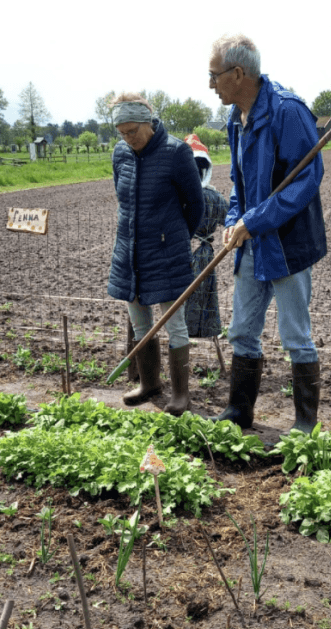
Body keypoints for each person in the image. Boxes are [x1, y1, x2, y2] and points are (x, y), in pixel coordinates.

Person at [208, 34, 326, 434]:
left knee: (295, 334)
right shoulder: (235, 119)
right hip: (251, 240)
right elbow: (240, 184)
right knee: (242, 330)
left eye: (214, 76)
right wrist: (233, 220)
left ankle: (305, 425)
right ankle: (239, 412)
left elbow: (306, 180)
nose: (210, 84)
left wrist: (253, 222)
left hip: (287, 243)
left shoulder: (287, 112)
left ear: (238, 73)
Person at [107, 93, 204, 416]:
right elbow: (123, 199)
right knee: (139, 322)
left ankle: (181, 394)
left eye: (132, 130)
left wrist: (173, 240)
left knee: (174, 323)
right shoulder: (120, 154)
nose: (128, 138)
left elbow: (196, 205)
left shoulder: (176, 152)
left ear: (148, 123)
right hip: (130, 252)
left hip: (166, 254)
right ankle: (149, 384)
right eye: (122, 132)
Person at [183, 134, 229, 338]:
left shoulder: (179, 199)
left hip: (185, 253)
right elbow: (230, 220)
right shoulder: (215, 197)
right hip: (207, 256)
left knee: (185, 294)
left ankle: (185, 333)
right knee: (207, 293)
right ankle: (206, 330)